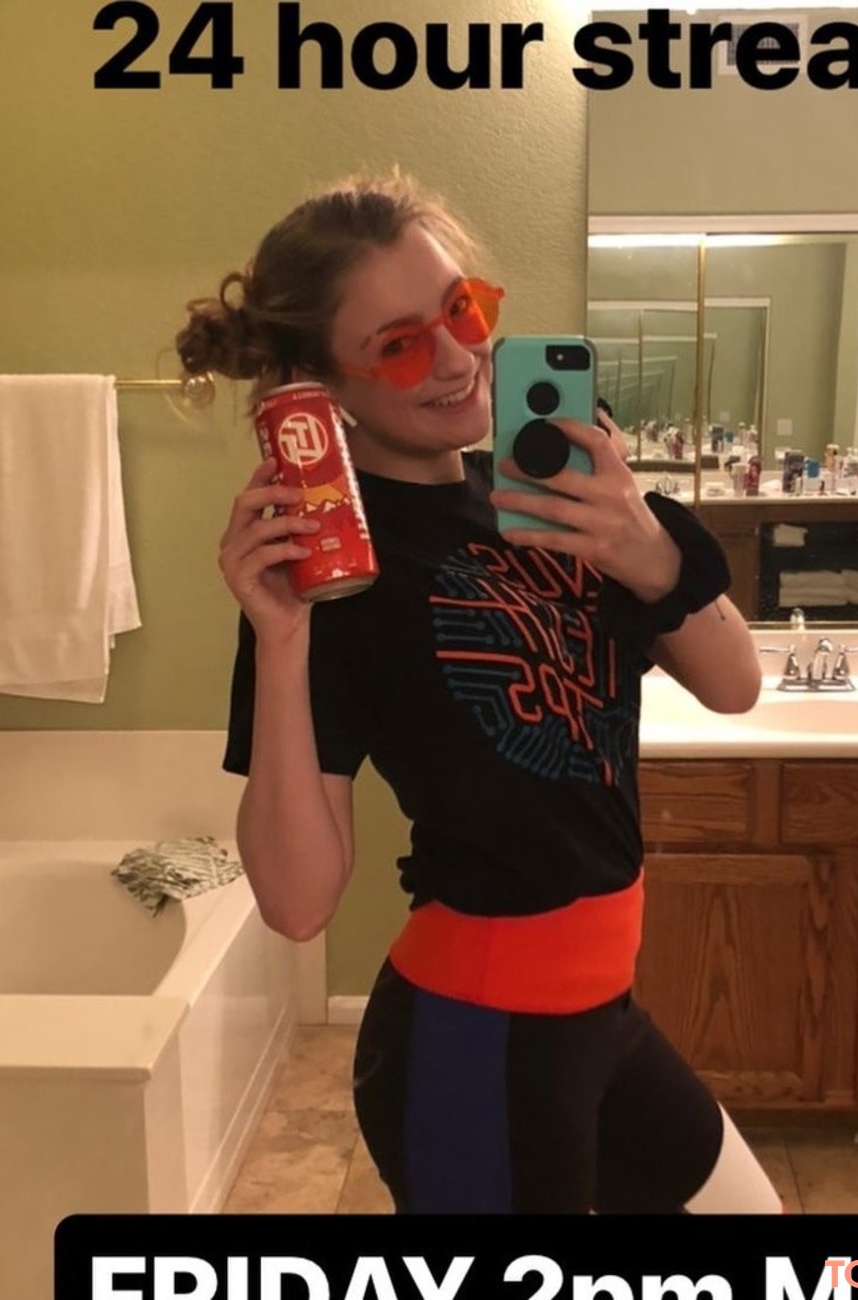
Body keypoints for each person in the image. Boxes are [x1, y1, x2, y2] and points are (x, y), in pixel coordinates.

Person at [176, 172, 781, 1215]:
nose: (459, 358)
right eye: (400, 344)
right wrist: (279, 642)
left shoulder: (555, 494)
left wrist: (642, 542)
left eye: (462, 309)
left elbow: (736, 684)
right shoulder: (334, 576)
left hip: (602, 1013)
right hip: (472, 1044)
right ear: (321, 385)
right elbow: (297, 903)